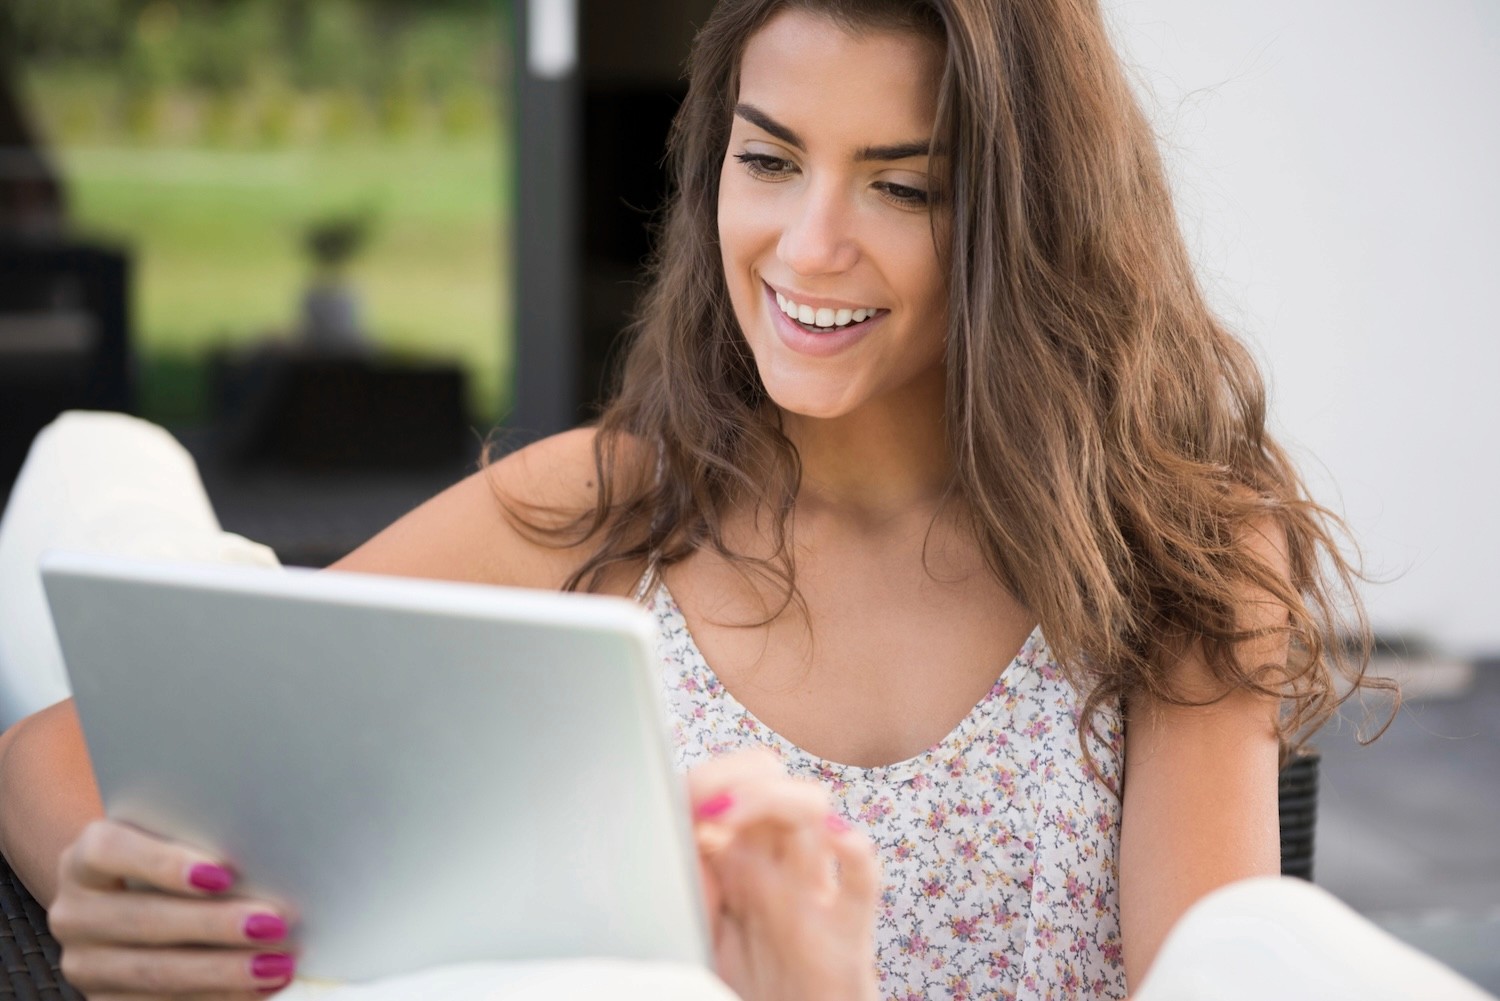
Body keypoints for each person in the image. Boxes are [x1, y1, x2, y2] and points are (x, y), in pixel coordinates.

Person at [0, 0, 1387, 998]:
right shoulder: (612, 509)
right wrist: (139, 903)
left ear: (1027, 221)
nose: (808, 247)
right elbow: (49, 762)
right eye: (769, 160)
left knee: (107, 487)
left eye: (904, 186)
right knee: (103, 478)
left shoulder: (1174, 555)